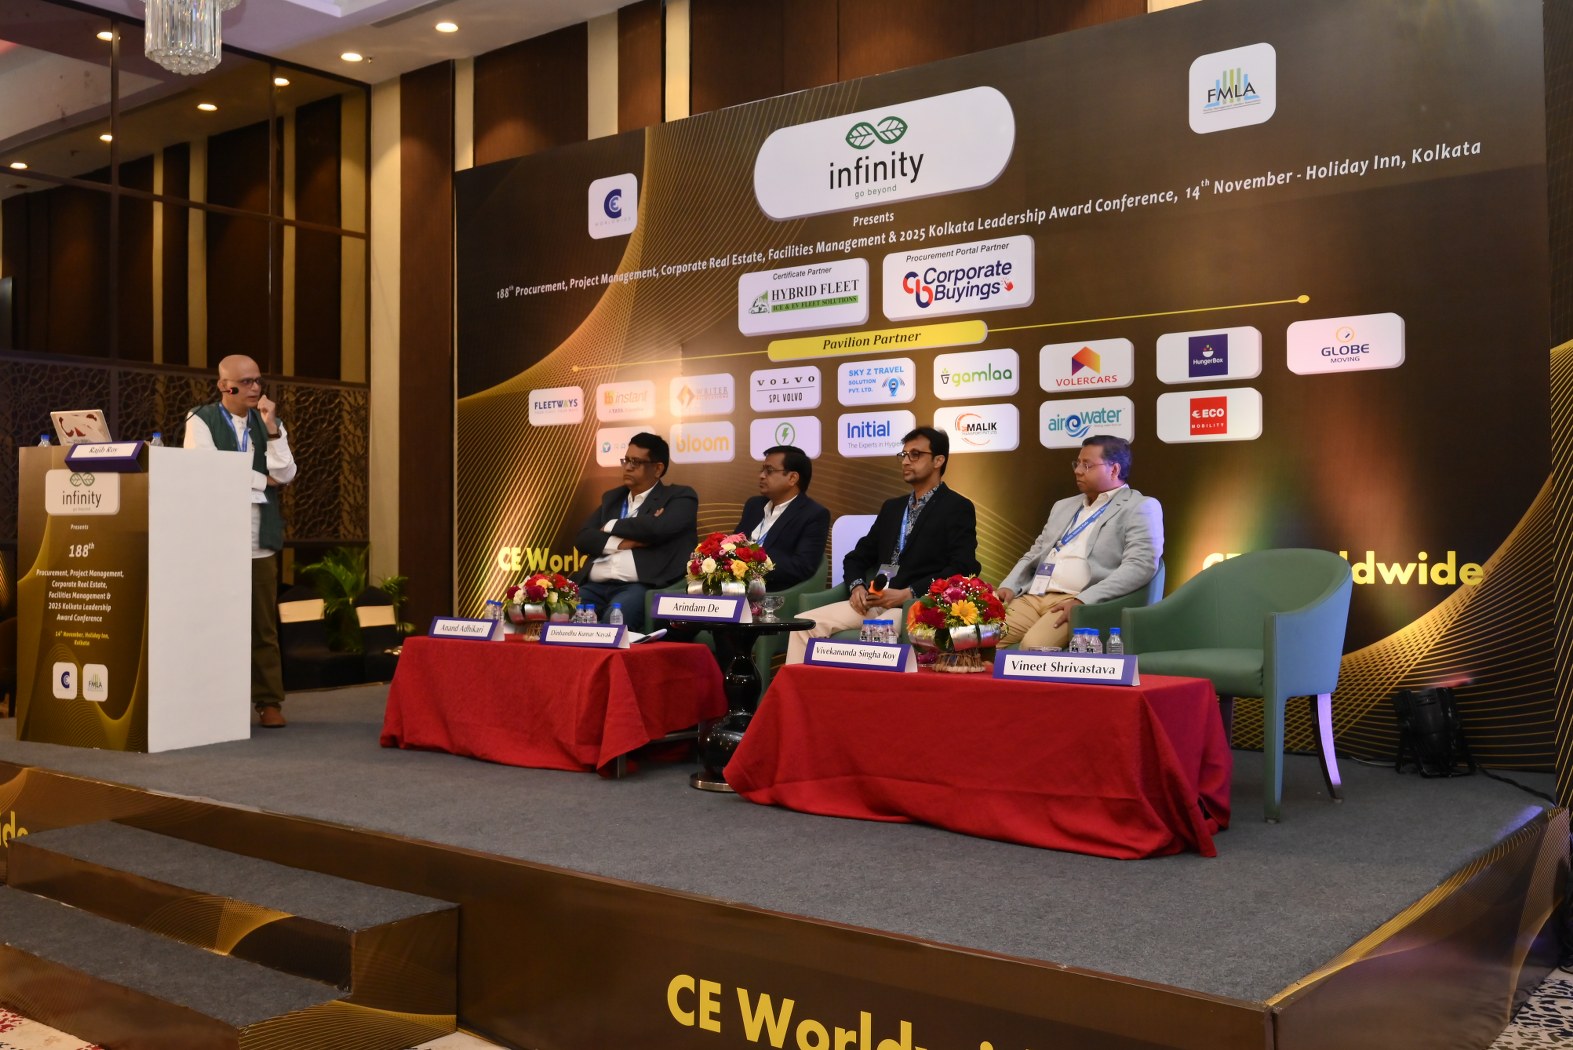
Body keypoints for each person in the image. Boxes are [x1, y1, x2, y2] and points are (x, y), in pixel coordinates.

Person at [786, 426, 979, 663]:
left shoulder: (956, 507)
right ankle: (796, 689)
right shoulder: (893, 508)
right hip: (873, 600)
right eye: (904, 454)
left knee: (875, 633)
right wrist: (857, 587)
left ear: (938, 460)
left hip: (913, 606)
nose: (905, 461)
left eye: (915, 455)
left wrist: (909, 593)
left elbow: (963, 566)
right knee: (804, 625)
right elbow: (857, 557)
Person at [183, 355, 298, 728]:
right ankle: (214, 700)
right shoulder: (201, 419)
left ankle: (268, 701)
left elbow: (287, 472)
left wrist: (272, 429)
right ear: (224, 385)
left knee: (263, 627)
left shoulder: (270, 422)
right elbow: (208, 469)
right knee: (215, 625)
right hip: (215, 542)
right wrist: (262, 480)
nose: (254, 388)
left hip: (258, 541)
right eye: (245, 382)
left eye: (258, 381)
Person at [997, 435, 1163, 651]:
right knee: (974, 637)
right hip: (1033, 596)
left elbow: (1140, 566)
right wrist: (1009, 585)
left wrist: (1083, 600)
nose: (1077, 471)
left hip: (1075, 601)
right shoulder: (1063, 506)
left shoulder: (1139, 506)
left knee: (1033, 647)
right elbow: (1036, 552)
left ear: (1114, 470)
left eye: (1087, 465)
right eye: (1077, 463)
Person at [573, 432, 698, 631]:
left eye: (636, 462)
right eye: (626, 460)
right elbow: (583, 538)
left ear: (657, 469)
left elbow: (656, 529)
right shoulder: (613, 498)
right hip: (594, 586)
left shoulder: (679, 497)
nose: (628, 467)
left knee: (615, 621)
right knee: (559, 614)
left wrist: (611, 525)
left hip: (637, 587)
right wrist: (622, 543)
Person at [735, 445, 831, 591]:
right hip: (735, 587)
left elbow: (802, 567)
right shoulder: (754, 505)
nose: (762, 476)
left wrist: (751, 566)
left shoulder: (813, 514)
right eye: (762, 470)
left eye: (769, 470)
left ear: (792, 478)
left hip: (774, 593)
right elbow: (734, 544)